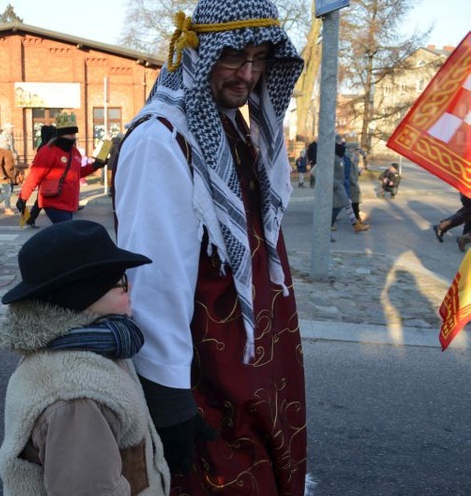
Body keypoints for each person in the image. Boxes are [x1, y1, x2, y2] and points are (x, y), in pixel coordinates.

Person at [112, 1, 314, 493]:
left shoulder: (227, 121)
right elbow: (153, 276)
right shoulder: (161, 140)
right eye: (233, 58)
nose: (248, 75)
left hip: (250, 359)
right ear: (197, 53)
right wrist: (169, 399)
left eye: (261, 57)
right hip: (204, 368)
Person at [0, 219, 170, 495]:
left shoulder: (90, 345)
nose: (131, 290)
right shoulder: (76, 397)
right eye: (121, 284)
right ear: (84, 296)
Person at [16, 112, 105, 224]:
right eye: (69, 134)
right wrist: (23, 198)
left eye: (74, 133)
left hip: (70, 204)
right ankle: (30, 220)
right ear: (61, 135)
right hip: (53, 202)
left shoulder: (75, 152)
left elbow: (77, 173)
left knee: (63, 237)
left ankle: (32, 223)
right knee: (67, 236)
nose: (73, 137)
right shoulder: (48, 151)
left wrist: (95, 165)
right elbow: (34, 176)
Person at [332, 136, 370, 234]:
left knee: (346, 204)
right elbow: (315, 171)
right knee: (338, 206)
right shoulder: (335, 158)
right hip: (337, 186)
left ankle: (355, 224)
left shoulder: (345, 158)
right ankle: (328, 224)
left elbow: (348, 172)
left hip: (343, 185)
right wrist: (334, 182)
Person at [24, 124, 56, 229]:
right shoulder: (45, 147)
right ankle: (29, 219)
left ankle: (29, 219)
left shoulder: (44, 145)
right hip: (45, 177)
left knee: (41, 200)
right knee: (41, 200)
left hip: (47, 177)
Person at [0, 123, 18, 215]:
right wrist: (1, 175)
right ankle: (2, 204)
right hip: (3, 174)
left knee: (9, 190)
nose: (12, 129)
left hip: (9, 173)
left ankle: (6, 207)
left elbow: (10, 162)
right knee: (8, 191)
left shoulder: (8, 151)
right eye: (11, 128)